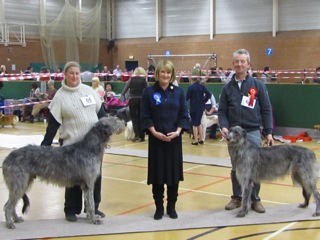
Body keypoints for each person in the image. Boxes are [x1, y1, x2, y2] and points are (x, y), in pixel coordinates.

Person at [40, 61, 106, 222]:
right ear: (65, 75)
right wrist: (45, 147)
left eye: (77, 73)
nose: (75, 76)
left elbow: (101, 114)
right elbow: (53, 124)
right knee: (72, 179)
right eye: (71, 73)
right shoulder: (60, 96)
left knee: (95, 177)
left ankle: (93, 207)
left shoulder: (89, 91)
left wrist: (104, 136)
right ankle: (71, 209)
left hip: (94, 147)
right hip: (71, 146)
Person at [218, 49, 274, 214]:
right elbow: (222, 112)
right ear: (233, 64)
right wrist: (224, 126)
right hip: (234, 135)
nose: (240, 64)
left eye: (243, 61)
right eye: (237, 61)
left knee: (255, 167)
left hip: (253, 132)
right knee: (237, 167)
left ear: (248, 64)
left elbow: (266, 110)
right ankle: (237, 197)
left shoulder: (258, 86)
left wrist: (269, 132)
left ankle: (255, 199)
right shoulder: (227, 88)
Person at [140, 60, 189, 220]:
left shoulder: (179, 92)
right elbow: (145, 115)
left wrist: (178, 131)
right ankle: (159, 207)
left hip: (174, 141)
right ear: (157, 74)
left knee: (173, 177)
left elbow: (183, 114)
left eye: (168, 72)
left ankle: (171, 206)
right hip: (156, 141)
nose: (165, 75)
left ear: (172, 74)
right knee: (158, 176)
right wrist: (154, 132)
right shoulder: (148, 92)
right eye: (163, 72)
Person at [120, 67, 148, 142]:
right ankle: (142, 136)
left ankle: (137, 136)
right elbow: (147, 89)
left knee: (134, 118)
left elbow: (126, 88)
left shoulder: (131, 79)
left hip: (132, 100)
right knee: (141, 118)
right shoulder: (144, 80)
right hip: (142, 100)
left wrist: (122, 96)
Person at [186, 77, 212, 145]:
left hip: (194, 107)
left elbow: (187, 97)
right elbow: (209, 94)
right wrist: (204, 100)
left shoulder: (191, 87)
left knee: (194, 124)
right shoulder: (202, 86)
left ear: (192, 80)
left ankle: (195, 140)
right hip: (201, 107)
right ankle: (201, 139)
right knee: (199, 123)